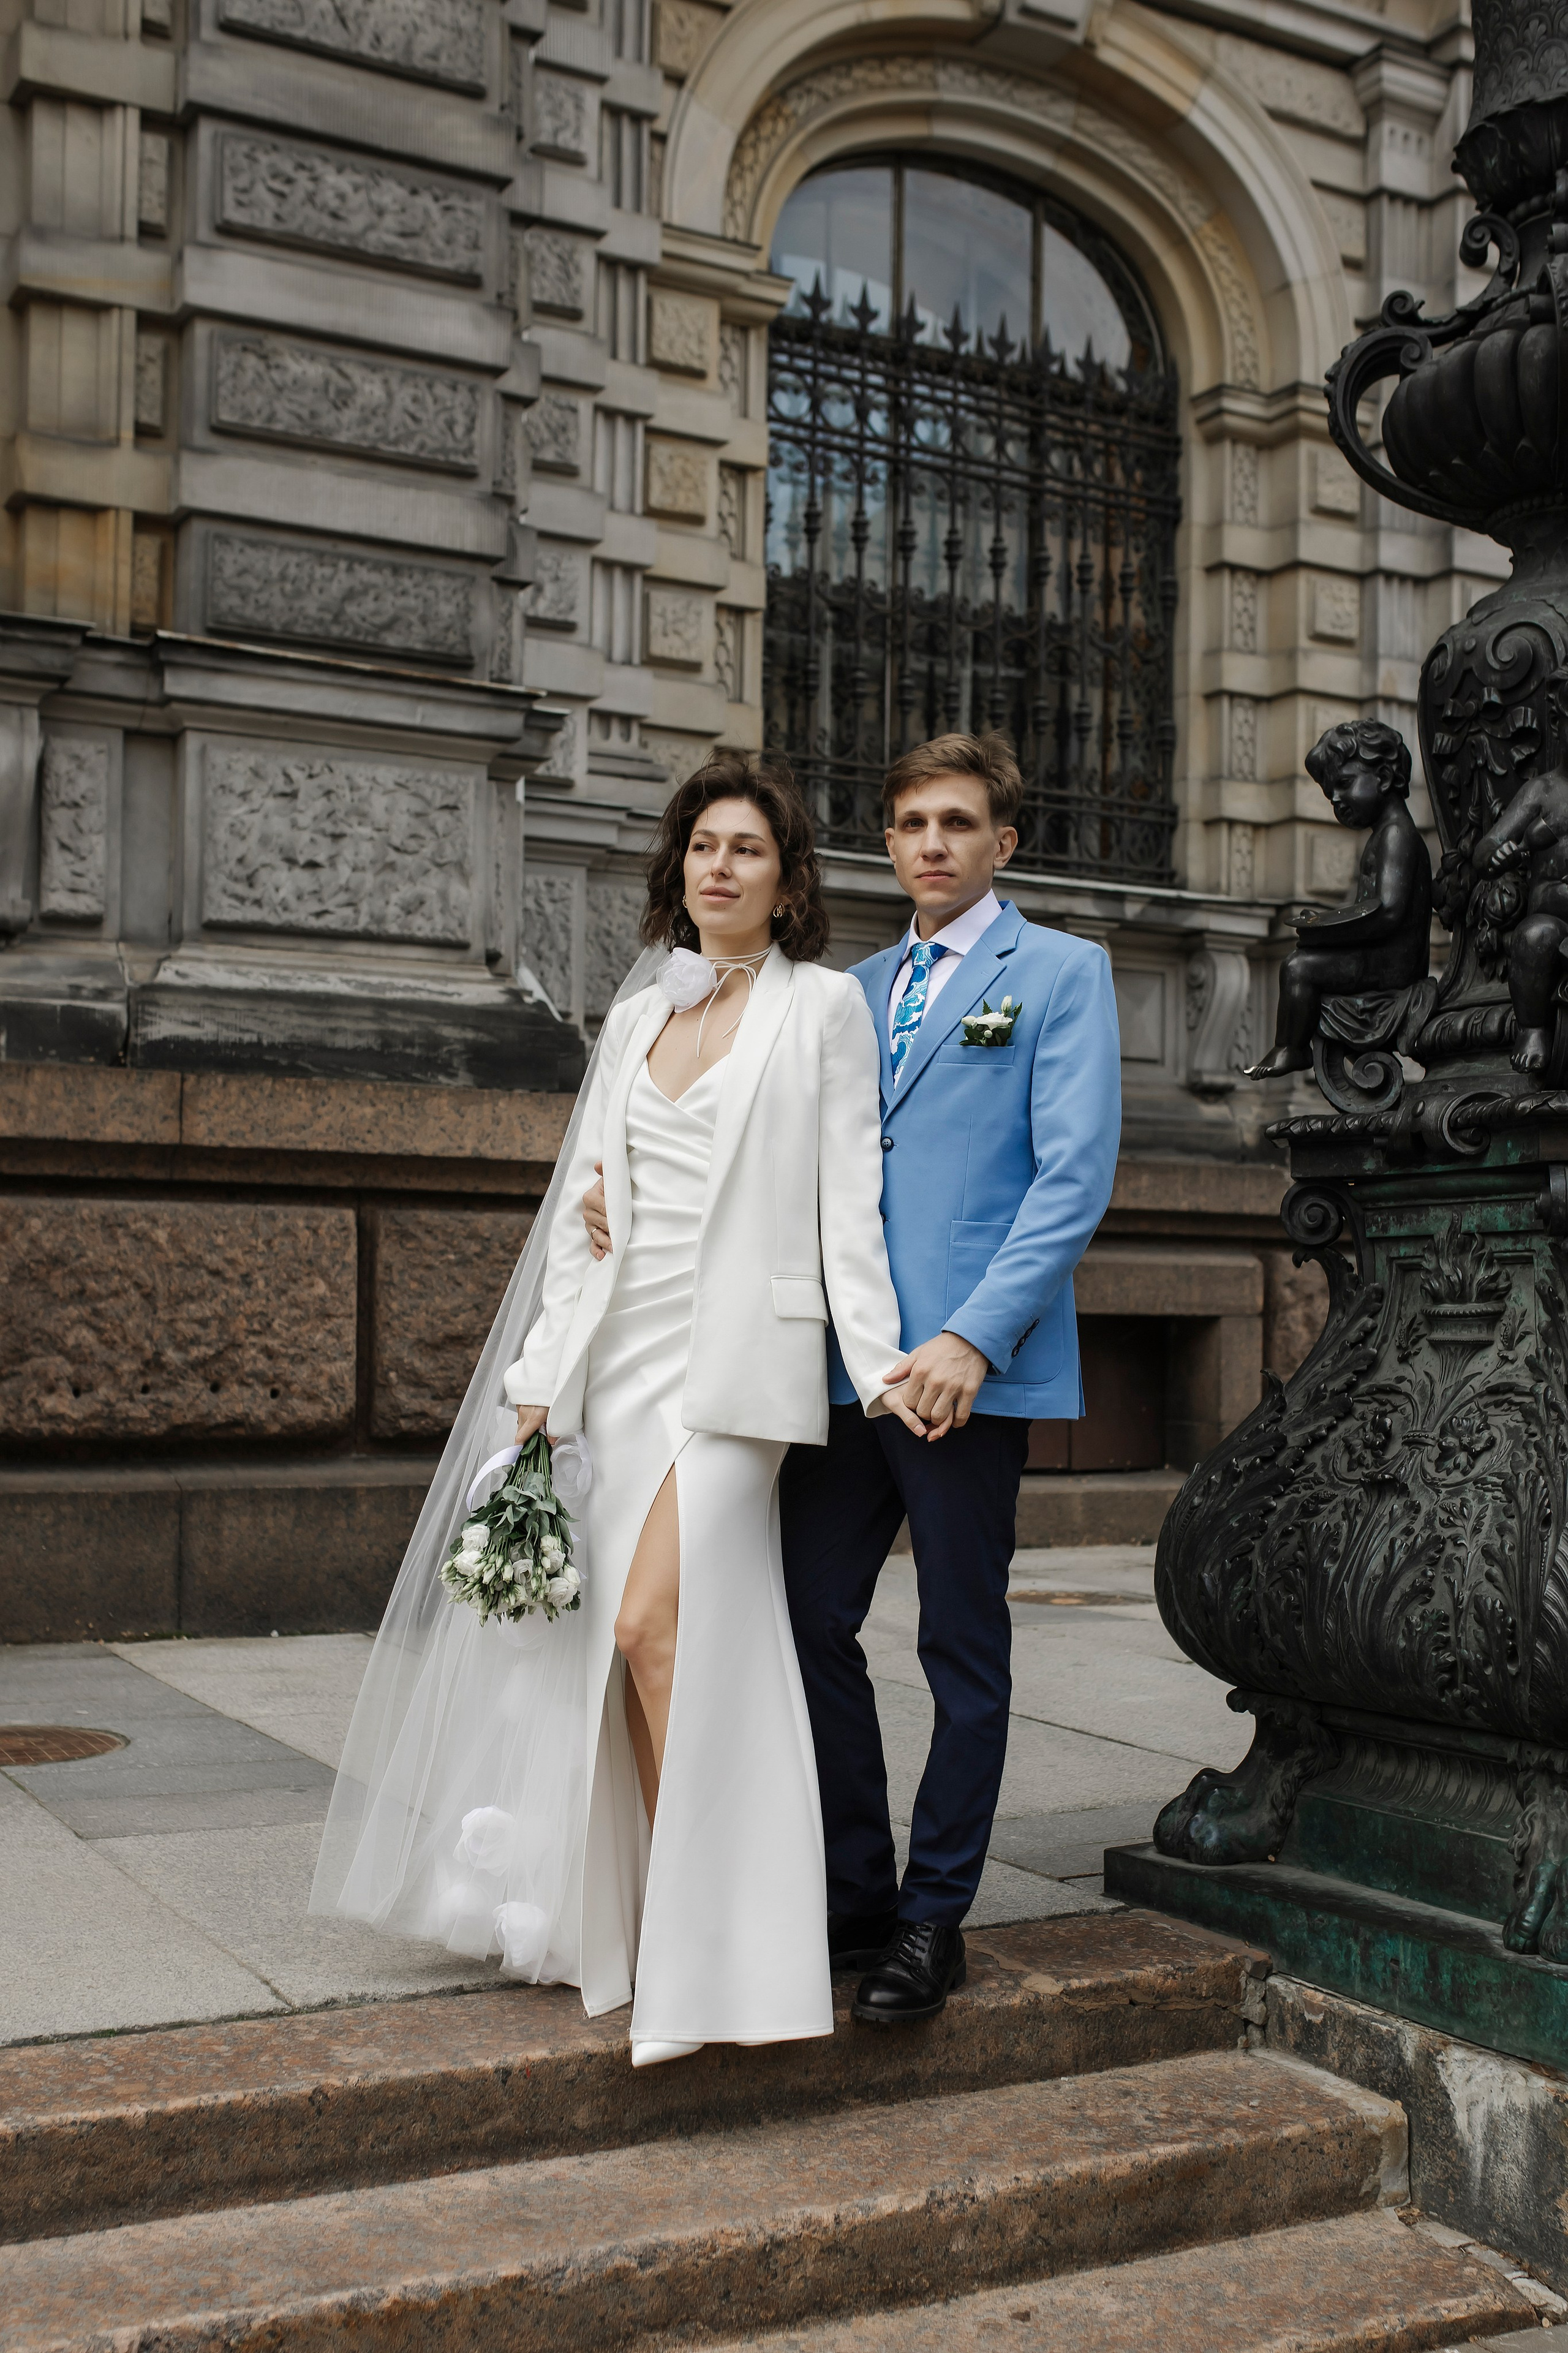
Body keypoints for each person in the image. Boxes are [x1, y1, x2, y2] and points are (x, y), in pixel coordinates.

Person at [312, 752, 919, 2069]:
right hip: (621, 1356)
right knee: (625, 1655)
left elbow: (849, 1208)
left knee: (650, 1625)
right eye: (703, 845)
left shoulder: (823, 1008)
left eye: (746, 848)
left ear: (787, 880)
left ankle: (720, 1942)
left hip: (737, 1376)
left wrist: (881, 1372)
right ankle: (665, 1930)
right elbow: (582, 1216)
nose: (720, 867)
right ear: (677, 869)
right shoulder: (639, 1015)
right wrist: (540, 1378)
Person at [584, 731, 1122, 2025]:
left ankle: (933, 1919)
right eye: (911, 824)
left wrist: (972, 1338)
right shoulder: (843, 991)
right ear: (885, 845)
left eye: (957, 823)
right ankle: (854, 1887)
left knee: (957, 1642)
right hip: (832, 1371)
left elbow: (1071, 1177)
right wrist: (626, 1197)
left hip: (960, 1379)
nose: (932, 844)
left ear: (1002, 842)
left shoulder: (1060, 972)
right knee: (805, 1618)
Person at [1246, 719, 1431, 1081]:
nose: (1335, 799)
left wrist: (1324, 930)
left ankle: (1292, 1049)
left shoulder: (1397, 835)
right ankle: (1291, 1048)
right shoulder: (1385, 835)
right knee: (1301, 962)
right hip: (1380, 956)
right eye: (1330, 792)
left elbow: (1387, 912)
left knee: (1299, 968)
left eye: (1344, 784)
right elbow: (1371, 908)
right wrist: (1323, 924)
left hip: (1392, 966)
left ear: (1383, 777)